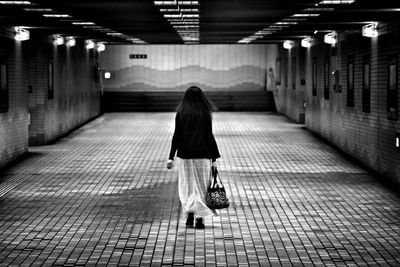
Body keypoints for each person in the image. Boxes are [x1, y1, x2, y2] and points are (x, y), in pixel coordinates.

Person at [167, 86, 221, 229]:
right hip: (202, 156)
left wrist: (171, 157)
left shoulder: (181, 114)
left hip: (185, 156)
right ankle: (199, 218)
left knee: (187, 186)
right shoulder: (205, 114)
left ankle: (190, 214)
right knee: (202, 187)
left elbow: (176, 136)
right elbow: (209, 136)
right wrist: (214, 158)